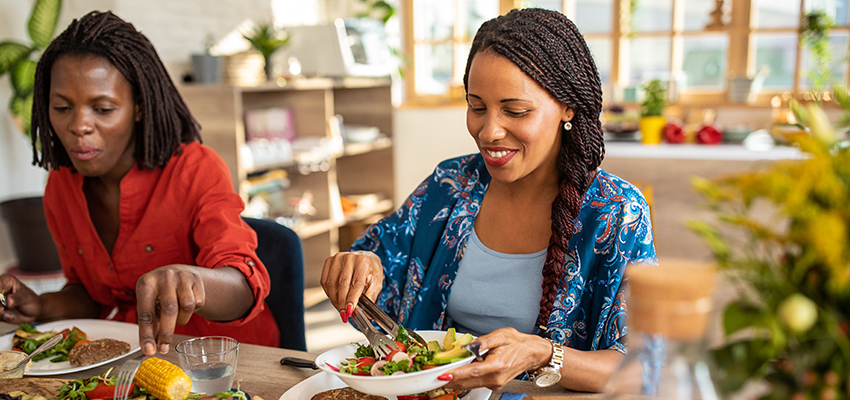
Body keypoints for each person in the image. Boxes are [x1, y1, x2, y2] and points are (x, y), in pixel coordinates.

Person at [321, 8, 656, 392]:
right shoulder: (451, 185)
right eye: (476, 107)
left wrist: (544, 354)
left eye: (516, 110)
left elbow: (641, 366)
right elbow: (378, 264)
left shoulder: (616, 211)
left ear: (568, 107)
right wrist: (361, 266)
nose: (489, 131)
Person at [0, 10, 279, 356]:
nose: (79, 126)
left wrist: (191, 280)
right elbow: (88, 295)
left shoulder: (195, 169)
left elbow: (245, 288)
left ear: (139, 107)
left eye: (102, 109)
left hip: (224, 363)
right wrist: (40, 306)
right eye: (62, 107)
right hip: (130, 357)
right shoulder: (61, 184)